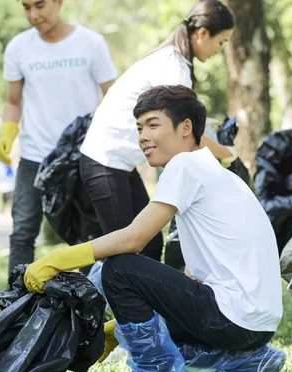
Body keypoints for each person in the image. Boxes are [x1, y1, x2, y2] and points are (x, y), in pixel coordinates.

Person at [23, 85, 286, 372]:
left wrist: (57, 260)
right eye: (139, 128)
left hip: (231, 318)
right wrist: (121, 331)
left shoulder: (184, 165)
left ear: (185, 127)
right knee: (153, 313)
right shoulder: (218, 173)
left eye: (153, 124)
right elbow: (187, 280)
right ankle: (248, 361)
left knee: (119, 269)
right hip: (256, 325)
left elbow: (134, 238)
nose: (143, 136)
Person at [79, 0, 237, 262]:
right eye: (221, 42)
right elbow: (184, 136)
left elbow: (182, 130)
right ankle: (78, 299)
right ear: (202, 33)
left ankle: (133, 302)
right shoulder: (174, 65)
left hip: (121, 164)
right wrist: (227, 153)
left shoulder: (172, 60)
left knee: (150, 244)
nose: (219, 50)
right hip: (104, 161)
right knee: (125, 251)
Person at [0, 0, 117, 274]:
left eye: (40, 5)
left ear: (59, 2)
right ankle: (16, 306)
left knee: (88, 234)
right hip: (33, 156)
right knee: (23, 231)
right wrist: (7, 130)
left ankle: (90, 302)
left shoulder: (91, 43)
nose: (34, 14)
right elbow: (13, 101)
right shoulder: (18, 47)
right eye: (26, 7)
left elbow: (115, 95)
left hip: (82, 157)